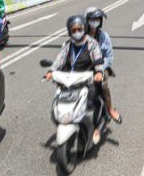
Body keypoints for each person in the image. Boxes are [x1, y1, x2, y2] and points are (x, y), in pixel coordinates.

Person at [45, 15, 107, 144]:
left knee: (91, 103)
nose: (77, 32)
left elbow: (98, 58)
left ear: (84, 28)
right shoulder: (67, 44)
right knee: (56, 107)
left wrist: (99, 72)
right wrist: (51, 71)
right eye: (73, 30)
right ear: (69, 31)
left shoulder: (92, 43)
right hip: (68, 80)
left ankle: (95, 127)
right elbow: (59, 59)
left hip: (86, 79)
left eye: (79, 29)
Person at [84, 6, 121, 124]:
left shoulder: (104, 36)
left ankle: (110, 109)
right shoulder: (80, 36)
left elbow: (108, 57)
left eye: (98, 19)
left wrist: (98, 69)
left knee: (103, 85)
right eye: (92, 19)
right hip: (83, 68)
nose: (95, 22)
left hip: (101, 67)